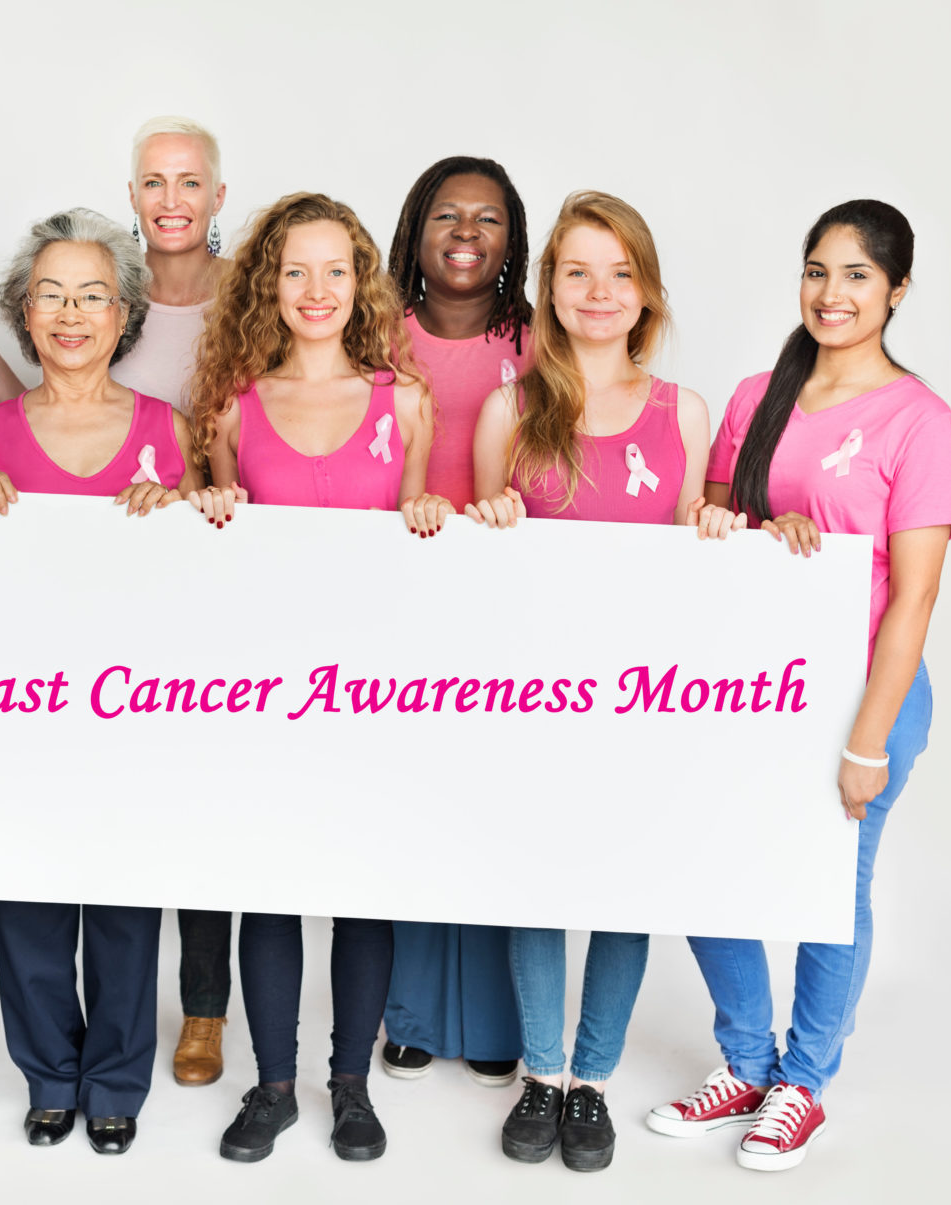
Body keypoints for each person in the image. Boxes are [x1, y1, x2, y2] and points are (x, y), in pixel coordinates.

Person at [645, 200, 951, 1171]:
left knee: (830, 887)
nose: (832, 293)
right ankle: (745, 1060)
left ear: (897, 291)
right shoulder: (755, 395)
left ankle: (802, 1080)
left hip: (863, 692)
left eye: (858, 276)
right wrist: (735, 522)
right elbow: (706, 514)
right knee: (709, 861)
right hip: (751, 688)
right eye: (817, 270)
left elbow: (911, 598)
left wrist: (867, 738)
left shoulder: (919, 420)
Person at [0, 120, 238, 1088]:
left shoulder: (173, 430)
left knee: (124, 897)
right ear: (29, 316)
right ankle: (45, 1074)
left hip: (140, 712)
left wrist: (174, 517)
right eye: (51, 297)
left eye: (92, 296)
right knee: (28, 895)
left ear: (124, 314)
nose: (70, 315)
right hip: (21, 709)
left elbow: (207, 570)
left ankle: (117, 1079)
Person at [185, 191, 450, 1165]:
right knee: (267, 888)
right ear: (266, 282)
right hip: (260, 694)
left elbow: (422, 543)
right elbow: (208, 552)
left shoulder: (404, 404)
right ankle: (272, 1082)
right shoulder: (230, 407)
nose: (315, 289)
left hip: (371, 694)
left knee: (360, 891)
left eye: (334, 269)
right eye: (294, 269)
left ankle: (350, 1083)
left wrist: (425, 514)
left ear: (361, 282)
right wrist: (207, 502)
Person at [468, 190, 711, 1172]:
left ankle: (594, 1079)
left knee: (622, 886)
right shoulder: (508, 408)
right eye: (577, 271)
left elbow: (698, 549)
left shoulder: (682, 410)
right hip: (536, 701)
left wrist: (715, 528)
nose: (598, 290)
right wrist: (484, 524)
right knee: (537, 880)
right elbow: (477, 561)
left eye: (619, 271)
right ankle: (541, 1070)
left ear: (645, 288)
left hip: (643, 701)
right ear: (550, 288)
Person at [377, 154, 534, 1091]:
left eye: (487, 218)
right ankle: (413, 1014)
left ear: (512, 238)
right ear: (417, 230)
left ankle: (495, 1017)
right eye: (446, 215)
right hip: (400, 597)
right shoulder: (374, 333)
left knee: (495, 809)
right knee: (411, 805)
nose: (466, 232)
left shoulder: (538, 340)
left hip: (507, 601)